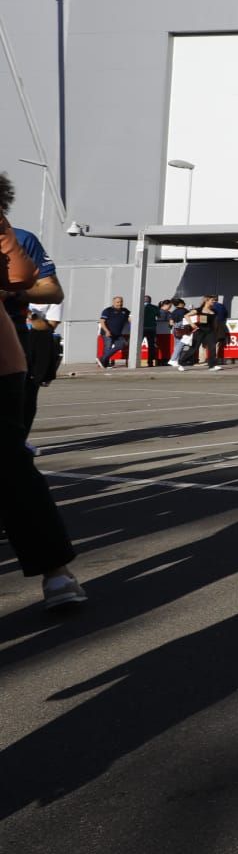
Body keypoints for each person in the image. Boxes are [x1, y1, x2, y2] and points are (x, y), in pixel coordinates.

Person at [1, 226, 84, 608]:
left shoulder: (14, 235)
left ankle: (55, 573)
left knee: (11, 465)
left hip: (6, 351)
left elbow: (41, 285)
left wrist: (11, 290)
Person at [0, 173, 63, 440]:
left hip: (12, 333)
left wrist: (13, 293)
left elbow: (53, 291)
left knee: (15, 417)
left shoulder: (22, 239)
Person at [97, 296, 131, 369]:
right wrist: (107, 331)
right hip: (108, 333)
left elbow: (130, 318)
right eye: (118, 302)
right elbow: (102, 321)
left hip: (118, 334)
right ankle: (105, 364)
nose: (120, 304)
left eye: (121, 302)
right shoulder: (108, 310)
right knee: (108, 348)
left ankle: (102, 359)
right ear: (113, 302)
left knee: (121, 345)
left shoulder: (125, 311)